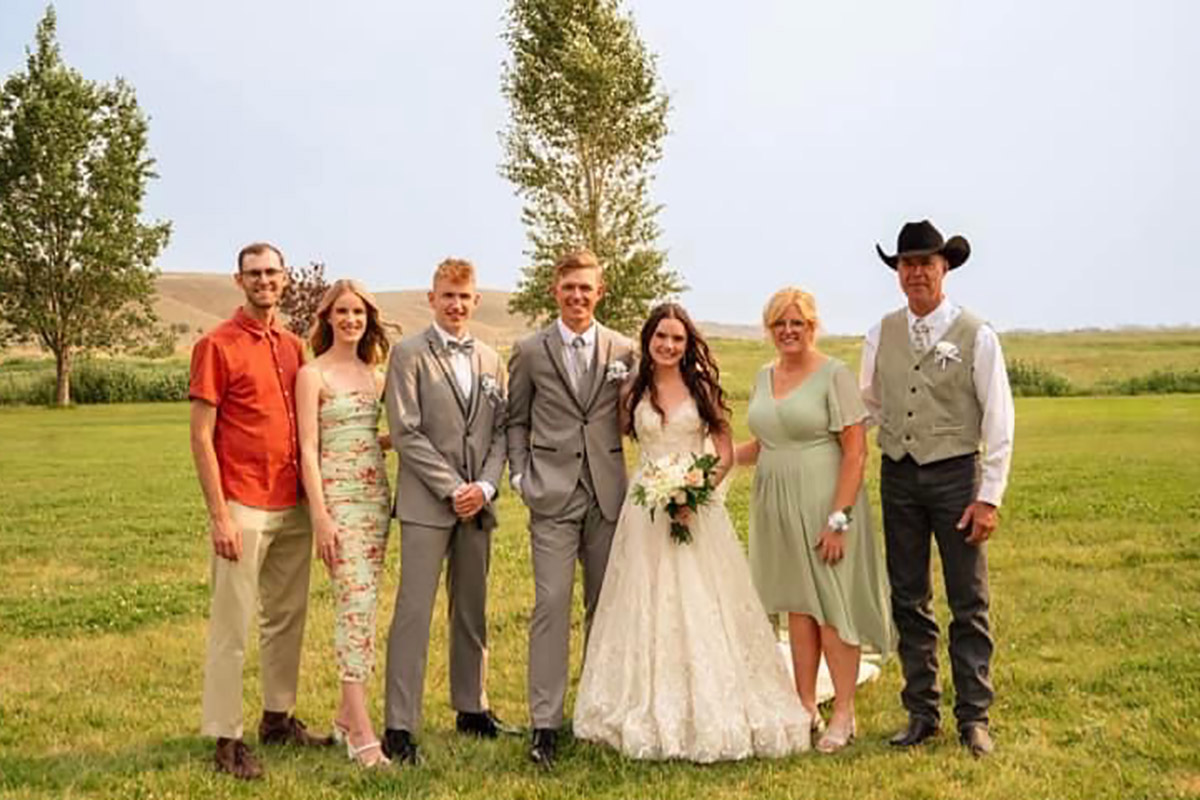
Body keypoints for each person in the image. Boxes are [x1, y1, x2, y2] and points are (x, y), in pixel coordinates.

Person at [574, 303, 812, 762]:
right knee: (642, 598)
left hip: (695, 508)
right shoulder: (632, 390)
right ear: (648, 340)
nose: (668, 345)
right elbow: (619, 440)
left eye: (677, 339)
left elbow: (724, 453)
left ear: (687, 345)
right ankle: (641, 698)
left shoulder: (701, 387)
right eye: (661, 337)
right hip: (645, 509)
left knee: (702, 598)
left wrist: (694, 493)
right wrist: (657, 488)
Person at [862, 220, 1014, 757]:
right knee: (908, 597)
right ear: (898, 273)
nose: (916, 272)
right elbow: (869, 403)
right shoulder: (881, 332)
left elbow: (998, 418)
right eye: (907, 264)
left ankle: (974, 717)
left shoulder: (977, 334)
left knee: (967, 599)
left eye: (926, 263)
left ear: (944, 268)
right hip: (899, 473)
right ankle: (921, 713)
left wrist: (988, 496)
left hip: (955, 477)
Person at [189, 242, 332, 781]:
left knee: (287, 619)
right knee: (232, 626)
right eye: (254, 273)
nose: (264, 280)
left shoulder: (294, 347)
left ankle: (277, 718)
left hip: (292, 504)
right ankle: (226, 739)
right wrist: (219, 516)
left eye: (272, 272)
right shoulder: (215, 345)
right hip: (242, 504)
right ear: (239, 280)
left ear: (285, 278)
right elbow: (201, 437)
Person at [736, 287, 894, 754]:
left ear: (812, 327)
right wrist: (707, 459)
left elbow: (856, 452)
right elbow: (764, 442)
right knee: (799, 610)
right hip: (776, 509)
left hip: (826, 506)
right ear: (769, 329)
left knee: (831, 609)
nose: (788, 331)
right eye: (780, 323)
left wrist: (838, 519)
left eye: (797, 323)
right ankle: (805, 705)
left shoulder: (834, 375)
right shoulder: (764, 376)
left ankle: (844, 711)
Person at [506, 249, 636, 768]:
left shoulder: (625, 349)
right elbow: (516, 419)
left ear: (599, 292)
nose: (577, 296)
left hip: (608, 493)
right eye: (569, 287)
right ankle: (545, 722)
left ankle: (598, 711)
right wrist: (520, 475)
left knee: (604, 606)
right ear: (554, 291)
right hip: (552, 493)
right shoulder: (529, 351)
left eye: (586, 288)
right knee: (551, 602)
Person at [382, 258, 511, 764]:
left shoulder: (492, 360)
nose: (456, 305)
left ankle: (472, 707)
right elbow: (406, 431)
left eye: (464, 297)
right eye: (447, 296)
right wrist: (452, 487)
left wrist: (485, 486)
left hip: (477, 504)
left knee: (472, 608)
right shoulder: (408, 354)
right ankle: (400, 725)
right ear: (431, 298)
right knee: (413, 612)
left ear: (476, 301)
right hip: (427, 503)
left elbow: (501, 432)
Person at [296, 279, 394, 768]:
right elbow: (307, 449)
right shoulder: (312, 374)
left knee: (366, 606)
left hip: (375, 501)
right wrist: (321, 516)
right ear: (328, 318)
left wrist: (393, 441)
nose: (351, 320)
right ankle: (361, 732)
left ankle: (341, 718)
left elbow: (373, 434)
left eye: (359, 313)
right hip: (337, 503)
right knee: (353, 610)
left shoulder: (376, 376)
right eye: (343, 312)